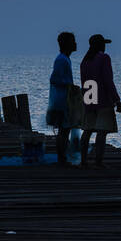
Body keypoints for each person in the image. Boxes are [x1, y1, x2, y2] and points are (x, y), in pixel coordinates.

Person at [79, 34, 121, 168]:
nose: (105, 46)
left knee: (87, 129)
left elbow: (84, 82)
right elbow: (108, 80)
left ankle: (83, 161)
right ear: (100, 45)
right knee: (101, 131)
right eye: (103, 44)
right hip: (102, 98)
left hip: (89, 97)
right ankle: (98, 162)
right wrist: (116, 100)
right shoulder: (104, 58)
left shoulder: (85, 60)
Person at [45, 32, 79, 165]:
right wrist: (69, 85)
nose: (76, 44)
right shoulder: (62, 60)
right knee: (64, 130)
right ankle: (62, 158)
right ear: (67, 44)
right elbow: (54, 79)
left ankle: (62, 157)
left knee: (64, 130)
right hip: (61, 101)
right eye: (73, 41)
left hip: (63, 99)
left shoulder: (65, 59)